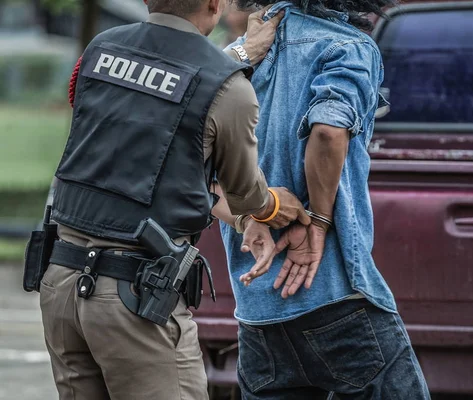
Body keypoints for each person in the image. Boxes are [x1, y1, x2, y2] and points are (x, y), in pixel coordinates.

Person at [38, 1, 306, 399]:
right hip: (134, 299)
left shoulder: (99, 50)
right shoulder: (228, 86)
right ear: (215, 3)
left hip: (60, 284)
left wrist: (238, 53)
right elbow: (245, 192)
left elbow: (148, 156)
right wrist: (270, 207)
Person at [213, 1, 432, 398]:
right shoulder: (348, 46)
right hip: (334, 293)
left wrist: (250, 218)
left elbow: (199, 172)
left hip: (259, 308)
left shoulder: (242, 53)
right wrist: (318, 220)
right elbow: (329, 130)